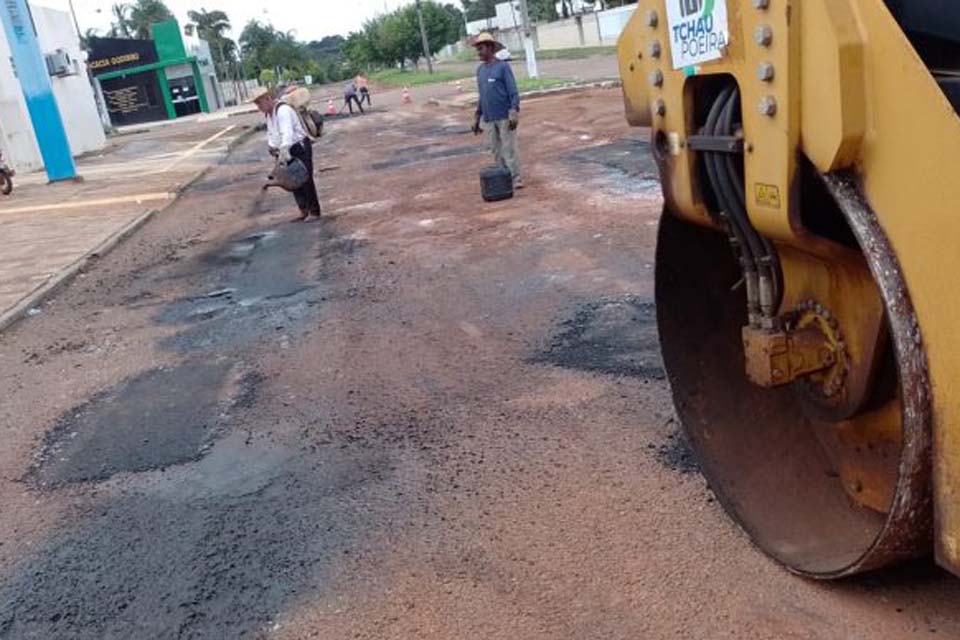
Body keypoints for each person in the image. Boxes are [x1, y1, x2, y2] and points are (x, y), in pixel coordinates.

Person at [250, 86, 321, 222]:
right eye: (256, 103)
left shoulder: (283, 110)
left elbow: (287, 132)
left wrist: (284, 149)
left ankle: (314, 211)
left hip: (298, 146)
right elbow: (272, 132)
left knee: (305, 178)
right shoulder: (269, 114)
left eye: (259, 103)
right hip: (284, 149)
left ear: (268, 98)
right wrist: (272, 146)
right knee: (292, 180)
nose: (258, 107)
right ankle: (303, 210)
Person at [472, 32, 523, 189]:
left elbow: (513, 91)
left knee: (508, 149)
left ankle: (516, 179)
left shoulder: (502, 67)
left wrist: (513, 111)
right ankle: (503, 180)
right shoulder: (480, 71)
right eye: (478, 49)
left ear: (490, 48)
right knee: (496, 151)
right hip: (489, 117)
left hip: (504, 116)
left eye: (481, 48)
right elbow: (482, 95)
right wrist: (477, 116)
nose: (479, 52)